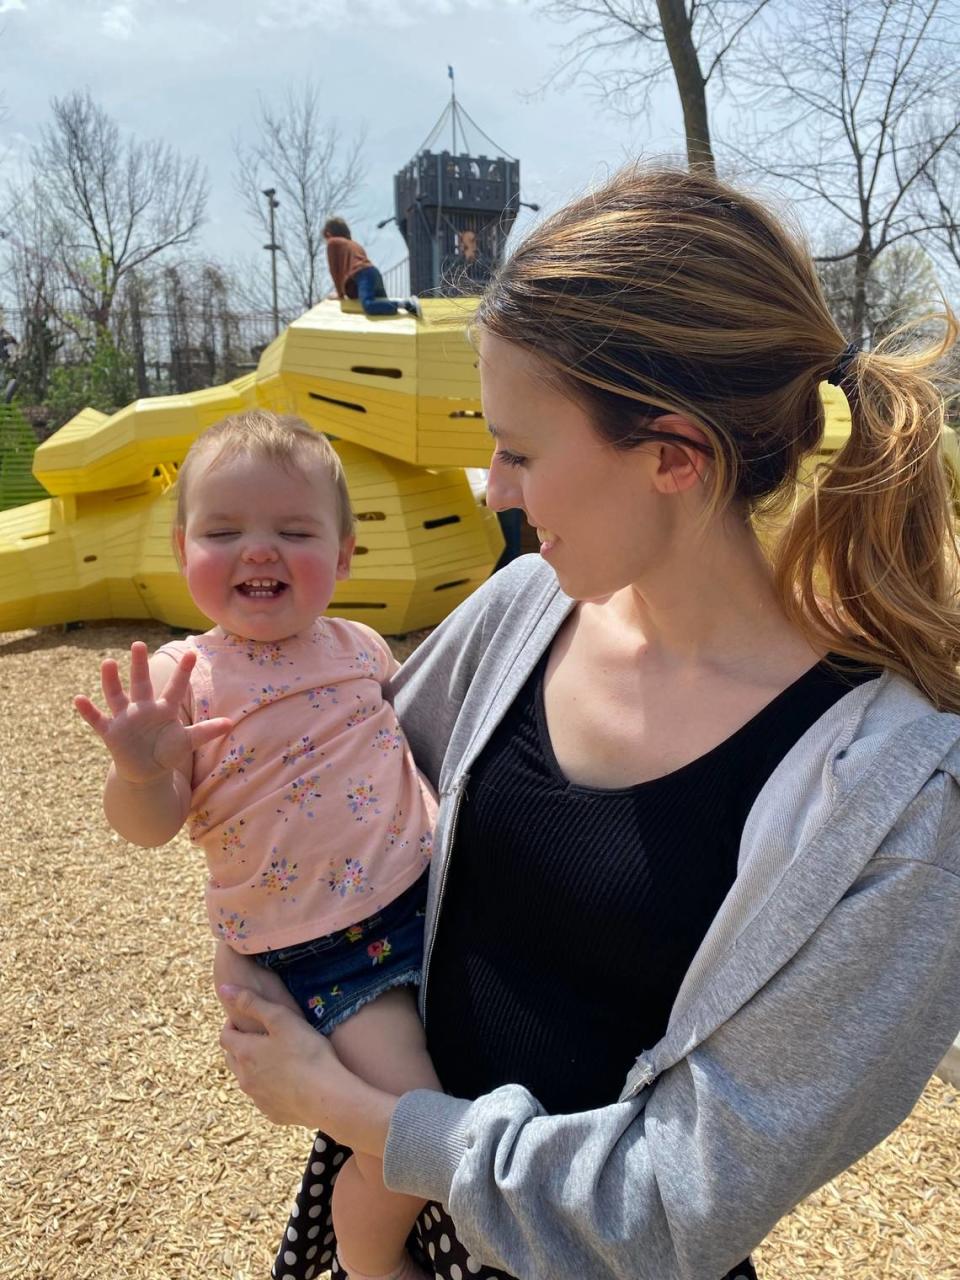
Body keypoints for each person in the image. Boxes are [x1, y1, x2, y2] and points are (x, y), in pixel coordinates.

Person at [218, 165, 960, 1280]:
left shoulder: (895, 794)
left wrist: (357, 1109)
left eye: (519, 449)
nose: (491, 488)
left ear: (674, 454)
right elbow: (338, 814)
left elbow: (675, 1205)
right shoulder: (527, 608)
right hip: (387, 1198)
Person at [74, 411, 441, 1280]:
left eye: (294, 529)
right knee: (414, 1121)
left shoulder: (360, 646)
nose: (260, 550)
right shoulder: (181, 679)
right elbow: (151, 826)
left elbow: (407, 750)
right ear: (182, 548)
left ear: (345, 556)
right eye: (225, 529)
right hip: (331, 955)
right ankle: (372, 1261)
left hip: (430, 900)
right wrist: (138, 772)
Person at [323, 216, 420, 318]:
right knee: (382, 307)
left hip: (363, 274)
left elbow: (334, 270)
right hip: (373, 273)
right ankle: (410, 308)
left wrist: (340, 294)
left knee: (369, 306)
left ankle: (405, 303)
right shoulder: (354, 244)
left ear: (328, 233)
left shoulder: (332, 242)